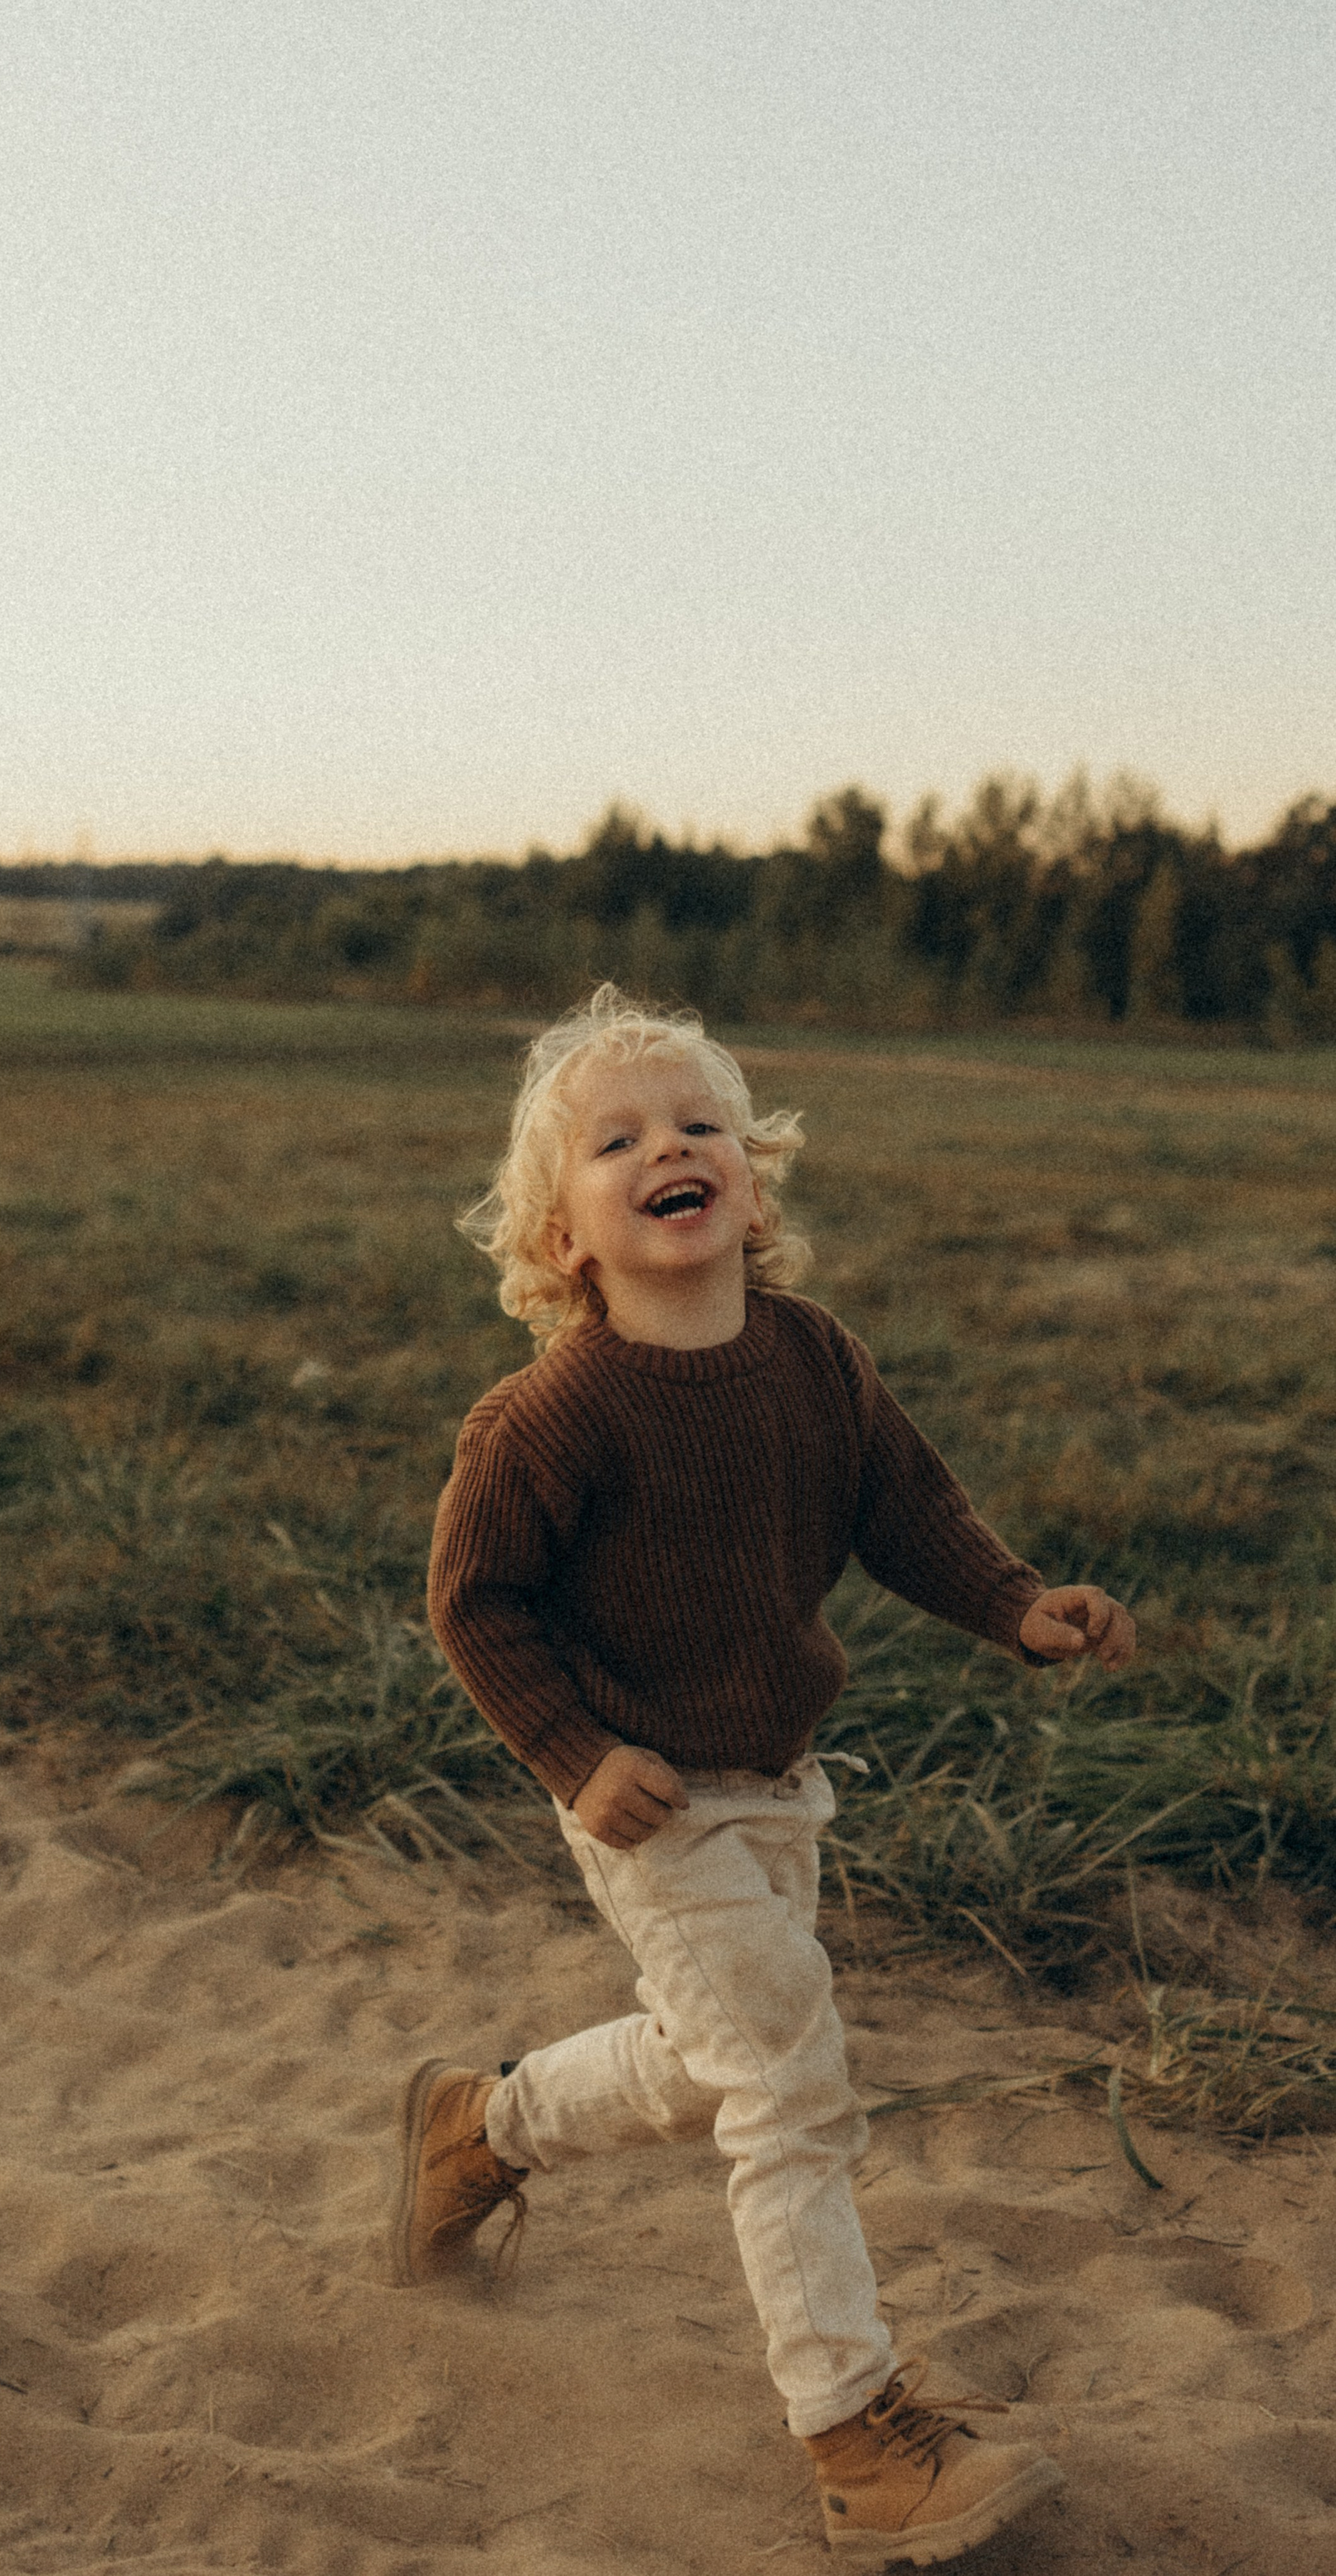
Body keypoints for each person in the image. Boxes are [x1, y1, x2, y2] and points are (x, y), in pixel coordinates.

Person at [394, 985, 1136, 2569]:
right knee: (790, 2086)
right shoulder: (550, 1416)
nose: (667, 1146)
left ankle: (481, 2126)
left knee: (712, 2059)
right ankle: (853, 2437)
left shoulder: (810, 1359)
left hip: (772, 1776)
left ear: (749, 1171)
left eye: (697, 1123)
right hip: (644, 1796)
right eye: (616, 1141)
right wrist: (575, 1759)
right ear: (562, 1231)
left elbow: (904, 1507)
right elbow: (472, 1602)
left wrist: (1013, 1601)